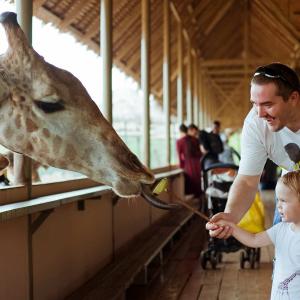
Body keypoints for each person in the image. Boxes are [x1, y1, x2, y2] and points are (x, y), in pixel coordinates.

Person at [207, 63, 300, 239]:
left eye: (268, 104)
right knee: (286, 261)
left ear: (293, 98)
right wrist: (231, 216)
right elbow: (248, 181)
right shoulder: (255, 124)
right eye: (255, 104)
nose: (259, 114)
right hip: (292, 193)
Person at [212, 171, 300, 300]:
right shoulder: (280, 229)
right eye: (277, 200)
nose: (278, 206)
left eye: (283, 200)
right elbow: (254, 239)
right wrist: (232, 227)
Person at [176, 123, 202, 198]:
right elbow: (199, 153)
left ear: (180, 132)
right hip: (198, 164)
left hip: (188, 165)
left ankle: (197, 202)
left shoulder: (179, 141)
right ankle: (200, 202)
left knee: (191, 184)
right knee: (198, 184)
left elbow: (179, 155)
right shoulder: (195, 139)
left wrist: (181, 165)